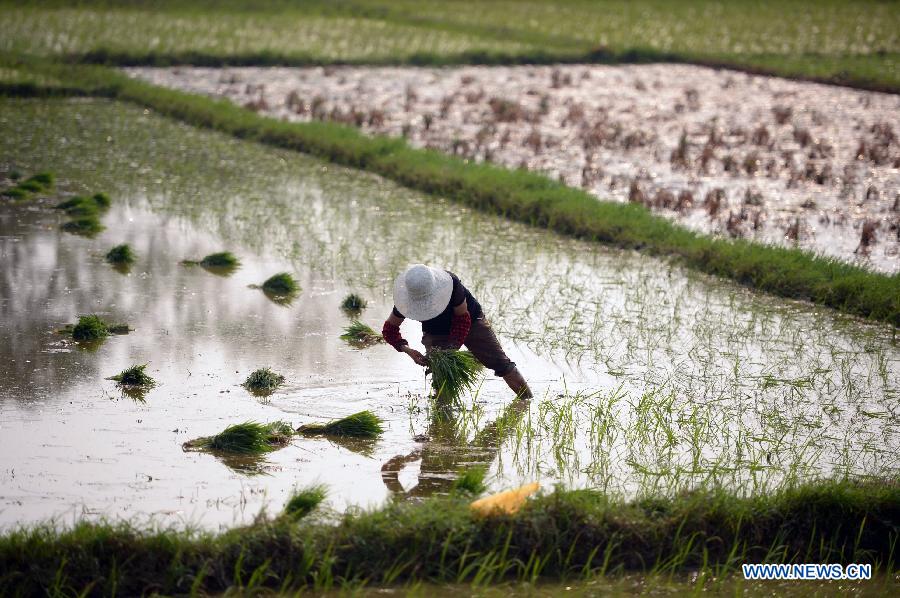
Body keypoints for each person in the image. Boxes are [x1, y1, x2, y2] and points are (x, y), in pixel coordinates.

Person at [382, 264, 532, 398]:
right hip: (435, 331)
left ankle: (527, 401)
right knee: (441, 375)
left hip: (471, 322)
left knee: (500, 362)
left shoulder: (450, 284)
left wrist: (451, 348)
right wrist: (408, 350)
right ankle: (443, 417)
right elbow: (389, 330)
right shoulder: (406, 301)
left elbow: (463, 321)